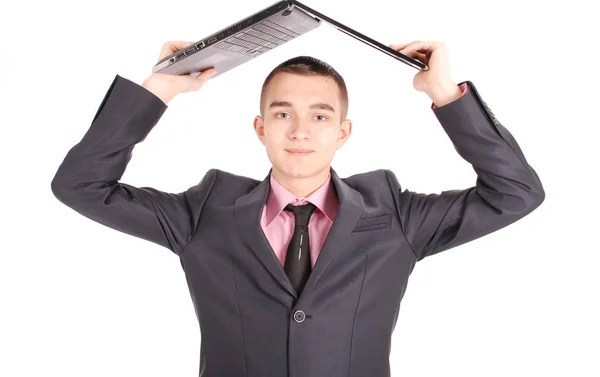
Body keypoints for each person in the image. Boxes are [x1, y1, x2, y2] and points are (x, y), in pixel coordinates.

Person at [51, 40, 545, 377]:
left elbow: (516, 193)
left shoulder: (394, 214)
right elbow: (80, 185)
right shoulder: (205, 211)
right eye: (282, 113)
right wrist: (159, 87)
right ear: (261, 128)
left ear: (342, 132)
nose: (300, 131)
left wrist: (443, 93)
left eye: (320, 115)